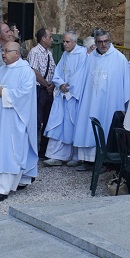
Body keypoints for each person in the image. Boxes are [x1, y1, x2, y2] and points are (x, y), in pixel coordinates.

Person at [0, 42, 38, 202]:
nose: (3, 54)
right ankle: (17, 180)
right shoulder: (2, 70)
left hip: (14, 119)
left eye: (6, 51)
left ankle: (1, 188)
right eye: (2, 51)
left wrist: (4, 92)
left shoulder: (26, 72)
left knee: (9, 150)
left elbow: (25, 94)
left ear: (17, 53)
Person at [71, 30, 130, 170]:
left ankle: (105, 161)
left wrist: (124, 103)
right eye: (100, 42)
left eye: (105, 41)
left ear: (110, 41)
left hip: (110, 102)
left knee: (106, 127)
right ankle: (88, 160)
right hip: (91, 101)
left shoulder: (119, 59)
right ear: (95, 43)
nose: (103, 44)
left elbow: (126, 83)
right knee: (89, 127)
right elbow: (81, 77)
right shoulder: (91, 58)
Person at [43, 32, 88, 166]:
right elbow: (58, 71)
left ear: (75, 42)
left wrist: (68, 87)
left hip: (73, 96)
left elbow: (81, 75)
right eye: (64, 42)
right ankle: (56, 155)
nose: (64, 44)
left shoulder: (82, 55)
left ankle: (75, 156)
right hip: (62, 95)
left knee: (73, 124)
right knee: (58, 123)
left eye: (67, 42)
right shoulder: (65, 54)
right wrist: (60, 83)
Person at [28, 28, 56, 158]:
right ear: (43, 38)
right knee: (37, 121)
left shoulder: (49, 53)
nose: (51, 39)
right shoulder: (34, 52)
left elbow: (54, 70)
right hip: (40, 89)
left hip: (48, 90)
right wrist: (46, 85)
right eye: (49, 37)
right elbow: (33, 70)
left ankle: (43, 150)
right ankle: (32, 150)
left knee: (48, 120)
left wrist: (52, 85)